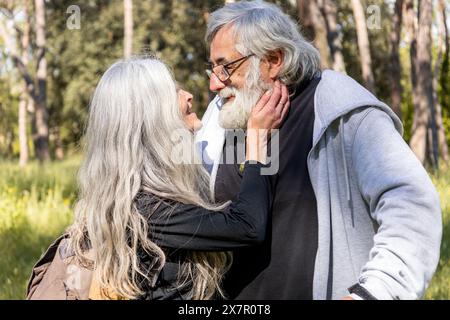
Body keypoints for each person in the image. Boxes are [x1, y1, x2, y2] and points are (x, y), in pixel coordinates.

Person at [195, 0, 442, 300]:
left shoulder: (338, 105)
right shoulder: (220, 118)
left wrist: (374, 292)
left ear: (274, 60)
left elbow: (411, 203)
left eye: (226, 66)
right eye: (212, 67)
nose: (213, 83)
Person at [62, 56, 289, 300]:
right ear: (150, 118)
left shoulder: (151, 190)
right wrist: (257, 141)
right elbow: (247, 227)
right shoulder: (147, 207)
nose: (188, 95)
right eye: (173, 92)